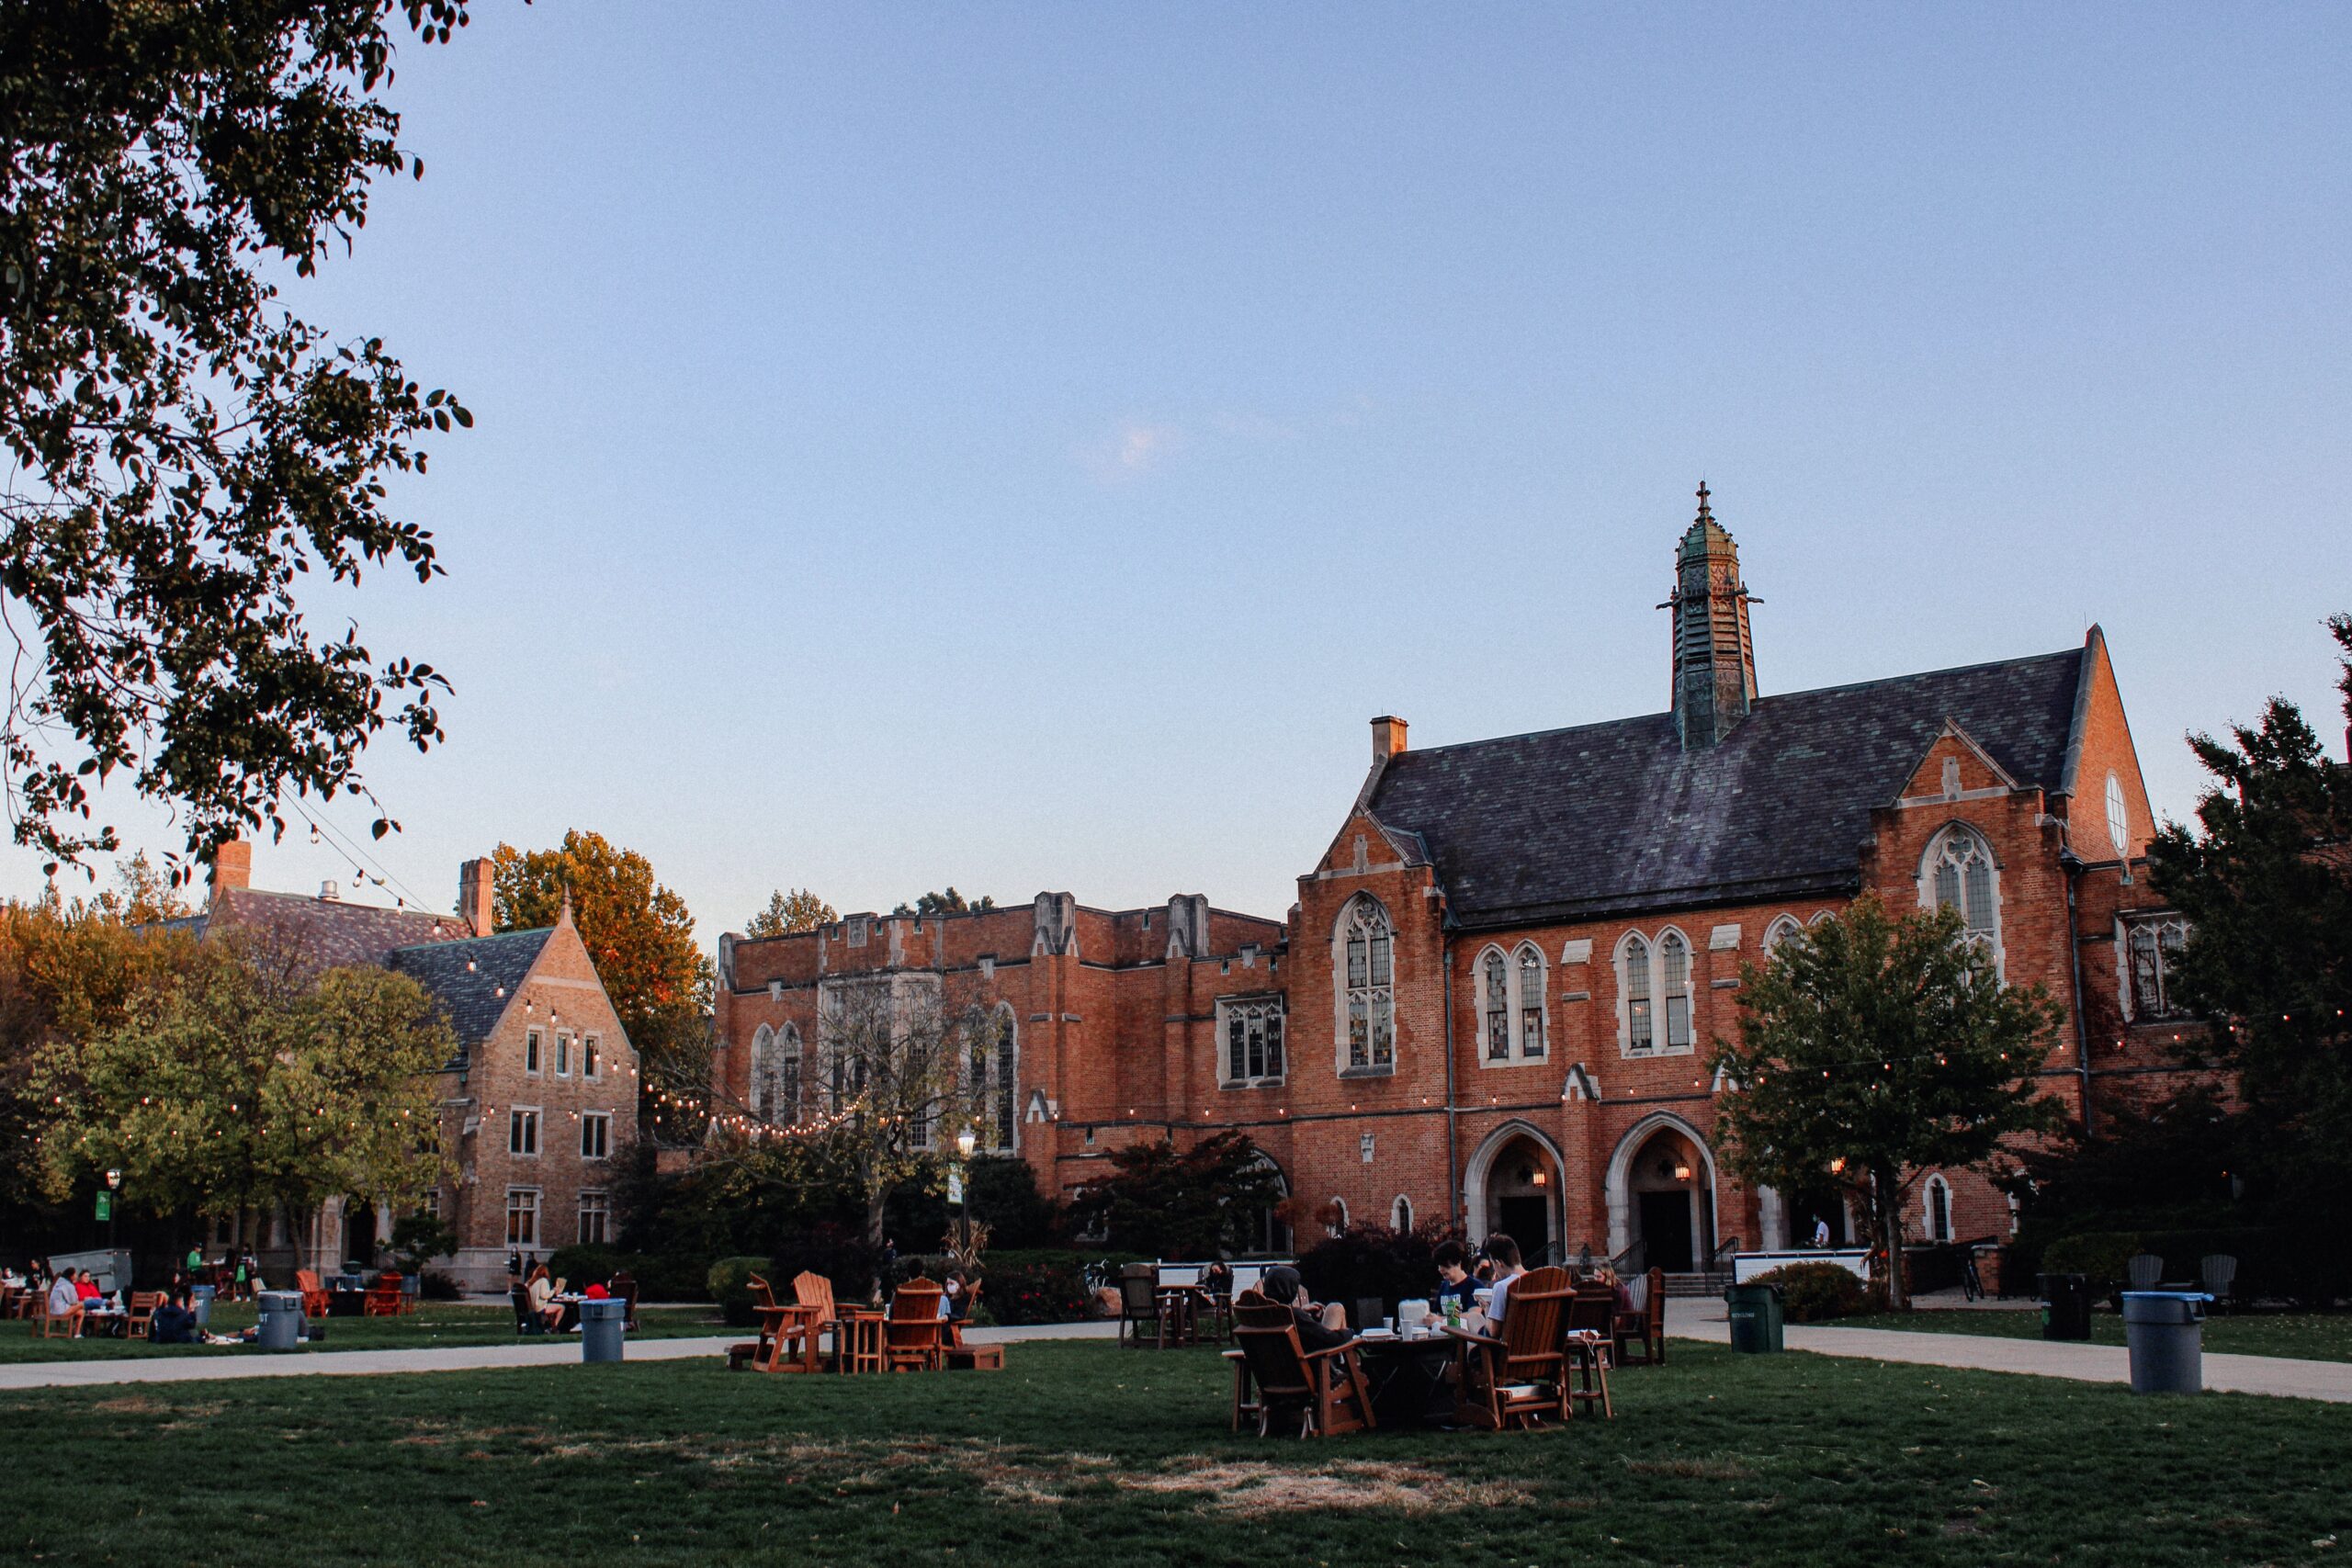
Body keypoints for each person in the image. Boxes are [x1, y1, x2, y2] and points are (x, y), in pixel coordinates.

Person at [1258, 1266, 1352, 1351]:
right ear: (1291, 1290)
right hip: (1313, 1363)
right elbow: (1330, 1339)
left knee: (1334, 1307)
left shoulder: (1259, 1315)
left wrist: (1301, 1310)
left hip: (1273, 1366)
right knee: (1336, 1308)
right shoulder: (1295, 1316)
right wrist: (1349, 1332)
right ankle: (1343, 1365)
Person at [1422, 1240, 1479, 1325]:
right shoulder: (1444, 1285)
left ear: (1458, 1262)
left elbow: (1474, 1316)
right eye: (1439, 1265)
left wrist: (1441, 1320)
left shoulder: (1474, 1286)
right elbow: (1438, 1313)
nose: (1440, 1269)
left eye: (1444, 1265)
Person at [1478, 1235, 1525, 1327]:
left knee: (1474, 1318)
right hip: (1542, 1340)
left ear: (1499, 1263)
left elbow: (1494, 1331)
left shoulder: (1502, 1286)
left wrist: (1487, 1306)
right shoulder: (1543, 1280)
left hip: (1508, 1341)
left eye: (1492, 1264)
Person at [46, 1269, 85, 1337]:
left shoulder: (59, 1283)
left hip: (53, 1310)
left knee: (81, 1312)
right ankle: (77, 1333)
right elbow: (73, 1302)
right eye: (75, 1274)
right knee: (82, 1305)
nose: (76, 1276)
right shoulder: (68, 1285)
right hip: (60, 1311)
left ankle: (77, 1333)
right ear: (71, 1276)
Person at [526, 1264, 561, 1331]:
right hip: (540, 1307)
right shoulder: (543, 1281)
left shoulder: (530, 1282)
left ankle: (548, 1325)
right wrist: (554, 1290)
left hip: (532, 1307)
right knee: (562, 1307)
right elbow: (545, 1295)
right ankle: (554, 1327)